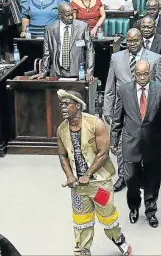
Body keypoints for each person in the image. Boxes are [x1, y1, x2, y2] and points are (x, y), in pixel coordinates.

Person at [56, 89, 132, 256]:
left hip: (99, 184)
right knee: (81, 220)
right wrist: (70, 176)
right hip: (77, 186)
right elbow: (62, 155)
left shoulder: (95, 123)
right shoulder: (62, 129)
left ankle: (118, 238)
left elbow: (103, 153)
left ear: (77, 105)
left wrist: (88, 175)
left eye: (67, 104)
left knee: (107, 215)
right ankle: (82, 250)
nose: (62, 107)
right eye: (61, 104)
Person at [110, 60, 161, 228]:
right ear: (134, 74)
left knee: (153, 180)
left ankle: (151, 211)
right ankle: (134, 208)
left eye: (145, 74)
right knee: (131, 180)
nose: (142, 77)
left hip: (153, 143)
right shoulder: (124, 90)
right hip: (130, 143)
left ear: (150, 73)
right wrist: (114, 140)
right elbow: (117, 118)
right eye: (139, 74)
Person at [103, 28, 161, 192]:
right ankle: (123, 176)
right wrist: (107, 109)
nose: (131, 44)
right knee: (123, 144)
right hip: (122, 108)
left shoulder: (155, 58)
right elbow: (110, 86)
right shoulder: (116, 58)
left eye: (135, 40)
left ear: (142, 41)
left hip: (146, 107)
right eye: (129, 41)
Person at [33, 3, 94, 81]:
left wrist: (89, 71)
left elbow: (90, 50)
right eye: (67, 15)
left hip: (78, 73)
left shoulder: (83, 27)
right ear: (60, 15)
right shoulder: (50, 29)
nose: (71, 17)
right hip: (56, 73)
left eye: (72, 14)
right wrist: (44, 71)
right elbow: (46, 53)